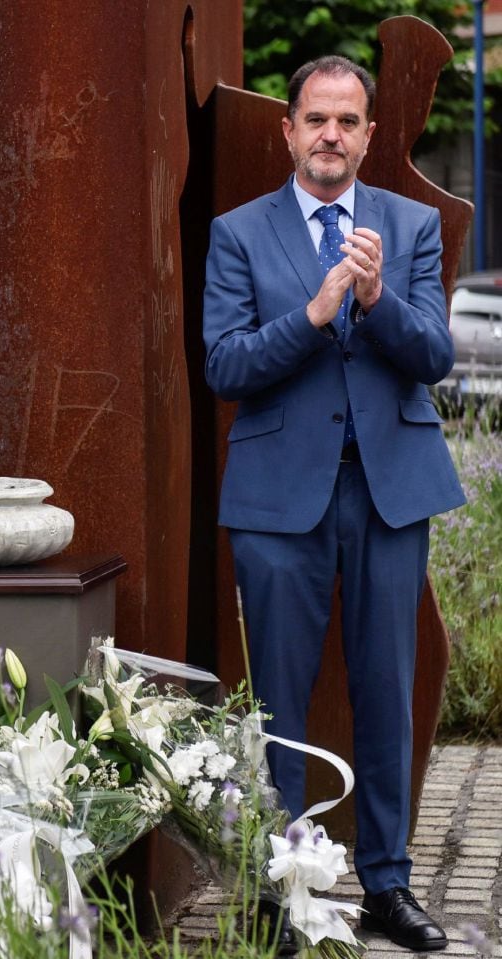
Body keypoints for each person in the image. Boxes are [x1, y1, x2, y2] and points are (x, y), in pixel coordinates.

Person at [203, 55, 463, 953]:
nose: (331, 136)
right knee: (278, 698)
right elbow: (226, 365)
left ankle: (387, 884)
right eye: (317, 119)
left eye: (349, 122)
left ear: (369, 136)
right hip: (279, 499)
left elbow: (434, 355)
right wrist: (313, 313)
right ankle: (285, 889)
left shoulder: (411, 224)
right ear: (288, 130)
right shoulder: (239, 233)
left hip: (389, 492)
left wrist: (376, 297)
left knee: (386, 690)